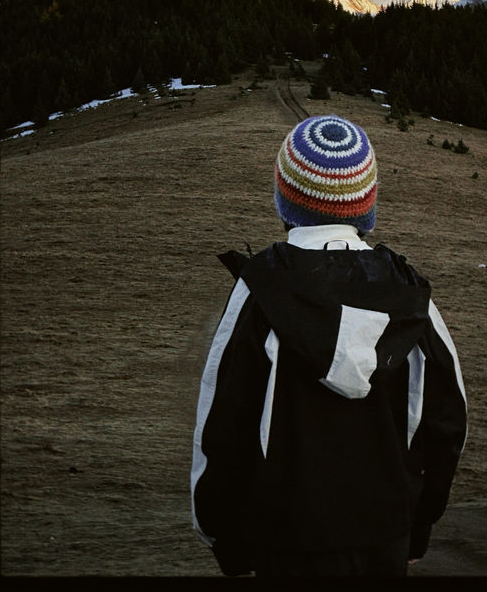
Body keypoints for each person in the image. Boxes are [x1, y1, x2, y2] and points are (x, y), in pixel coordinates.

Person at [190, 114, 467, 578]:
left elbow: (222, 425)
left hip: (285, 544)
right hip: (385, 541)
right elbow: (446, 422)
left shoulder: (260, 292)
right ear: (367, 206)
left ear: (284, 199)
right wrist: (416, 527)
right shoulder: (411, 295)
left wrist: (224, 539)